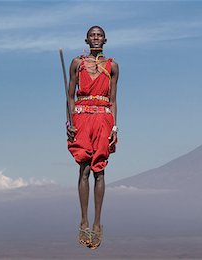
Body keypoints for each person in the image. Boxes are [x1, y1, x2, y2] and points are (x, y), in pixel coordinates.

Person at [66, 25, 119, 249]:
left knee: (100, 169)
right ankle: (83, 220)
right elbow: (69, 96)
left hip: (103, 118)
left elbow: (114, 99)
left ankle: (97, 223)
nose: (95, 38)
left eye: (99, 36)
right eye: (92, 36)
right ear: (86, 40)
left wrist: (114, 128)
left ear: (104, 40)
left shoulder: (113, 66)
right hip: (82, 117)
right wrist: (69, 122)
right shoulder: (77, 63)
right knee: (84, 168)